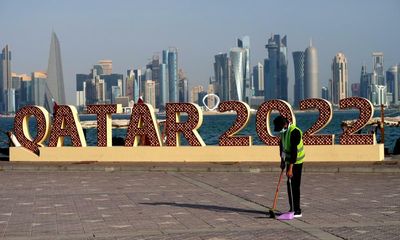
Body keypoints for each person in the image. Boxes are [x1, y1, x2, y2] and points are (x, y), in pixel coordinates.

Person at [273, 115, 305, 218]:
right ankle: (292, 208)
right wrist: (282, 161)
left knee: (295, 186)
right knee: (289, 185)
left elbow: (294, 153)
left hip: (297, 162)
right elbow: (282, 147)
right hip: (288, 161)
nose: (279, 131)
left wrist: (290, 169)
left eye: (279, 127)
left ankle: (297, 210)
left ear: (285, 124)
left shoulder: (295, 132)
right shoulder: (284, 132)